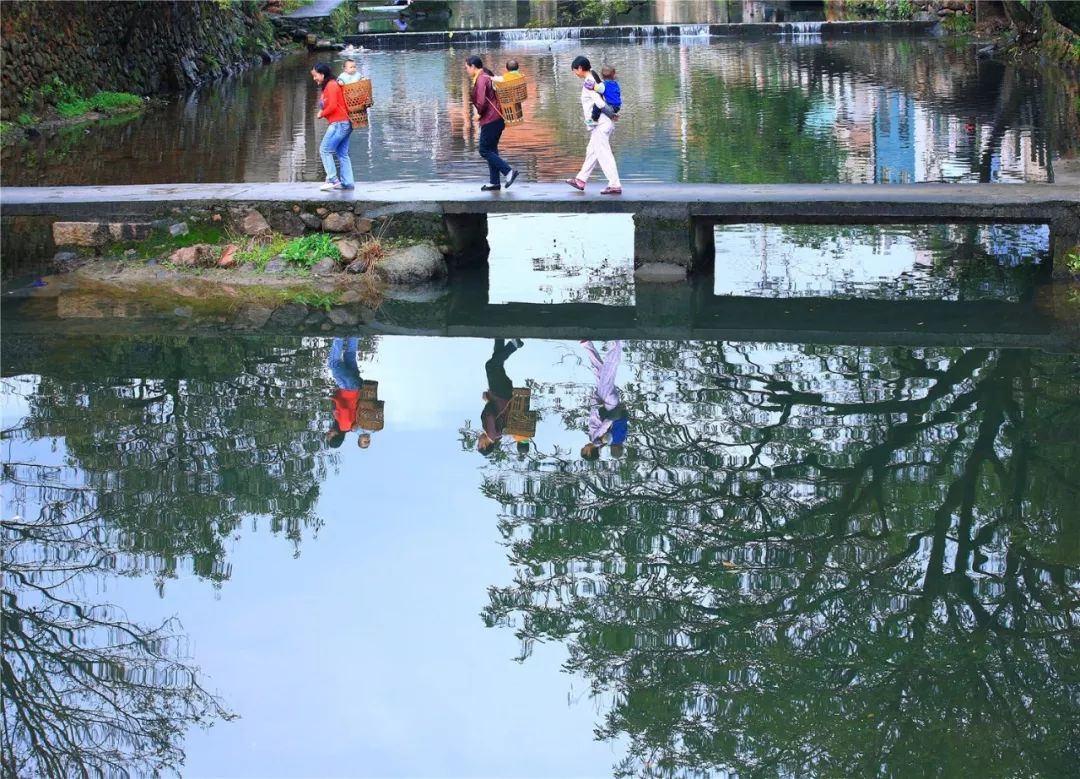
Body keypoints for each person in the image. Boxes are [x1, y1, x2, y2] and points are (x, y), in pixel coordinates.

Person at [565, 55, 622, 196]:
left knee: (604, 154)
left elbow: (599, 102)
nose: (575, 73)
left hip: (601, 123)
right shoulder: (593, 75)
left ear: (579, 68)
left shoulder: (589, 81)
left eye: (574, 70)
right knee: (591, 151)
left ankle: (614, 184)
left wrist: (611, 115)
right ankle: (580, 180)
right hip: (600, 122)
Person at [465, 55, 519, 192]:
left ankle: (508, 172)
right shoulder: (485, 77)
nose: (466, 71)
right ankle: (494, 182)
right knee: (492, 150)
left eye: (467, 68)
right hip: (496, 119)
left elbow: (481, 102)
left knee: (484, 150)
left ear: (473, 66)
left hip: (491, 119)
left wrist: (479, 114)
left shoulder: (482, 79)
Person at [580, 340, 629, 460]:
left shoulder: (603, 441)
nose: (583, 447)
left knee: (599, 371)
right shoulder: (596, 439)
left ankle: (587, 345)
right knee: (609, 371)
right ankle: (618, 345)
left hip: (607, 402)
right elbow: (605, 424)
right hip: (607, 403)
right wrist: (611, 415)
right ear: (589, 452)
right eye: (583, 450)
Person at [311, 62, 355, 191]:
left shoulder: (331, 85)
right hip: (345, 123)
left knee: (325, 150)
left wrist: (321, 113)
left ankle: (332, 179)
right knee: (342, 153)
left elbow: (332, 106)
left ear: (322, 74)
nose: (314, 79)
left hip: (339, 124)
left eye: (315, 75)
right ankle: (348, 183)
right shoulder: (332, 84)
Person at [478, 338, 524, 456]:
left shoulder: (498, 434)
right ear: (485, 445)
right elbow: (491, 414)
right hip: (500, 394)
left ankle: (499, 337)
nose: (478, 441)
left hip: (504, 394)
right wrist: (487, 400)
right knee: (491, 365)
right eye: (479, 444)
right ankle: (514, 345)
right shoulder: (492, 434)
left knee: (497, 363)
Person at [326, 337, 368, 448]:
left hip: (356, 388)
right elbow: (344, 408)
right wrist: (333, 400)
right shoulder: (344, 426)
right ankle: (338, 335)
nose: (328, 432)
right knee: (333, 364)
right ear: (336, 436)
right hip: (349, 388)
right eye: (329, 435)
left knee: (349, 356)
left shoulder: (348, 427)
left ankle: (354, 334)